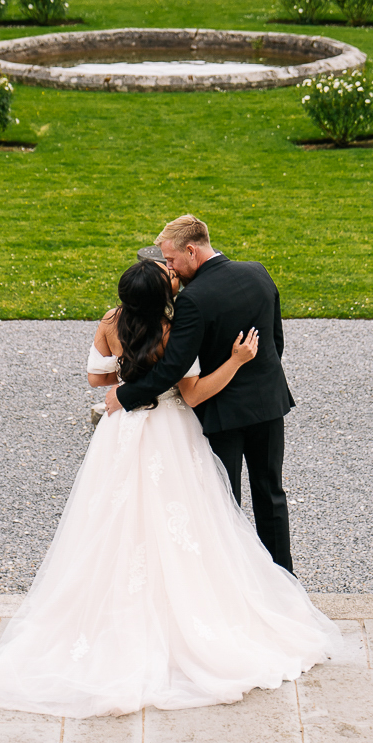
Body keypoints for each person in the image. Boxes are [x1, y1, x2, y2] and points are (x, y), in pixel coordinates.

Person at [0, 248, 344, 718]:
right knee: (191, 519)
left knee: (115, 519)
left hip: (123, 435)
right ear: (163, 294)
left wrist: (125, 377)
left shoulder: (109, 322)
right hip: (170, 434)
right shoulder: (172, 329)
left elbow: (96, 377)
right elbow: (193, 391)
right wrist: (238, 360)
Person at [107, 215, 296, 571]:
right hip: (269, 403)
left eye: (171, 260)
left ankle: (236, 583)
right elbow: (275, 341)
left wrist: (125, 395)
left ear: (191, 251)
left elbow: (171, 368)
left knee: (224, 502)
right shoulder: (258, 272)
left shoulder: (193, 299)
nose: (169, 268)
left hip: (222, 412)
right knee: (271, 495)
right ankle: (285, 582)